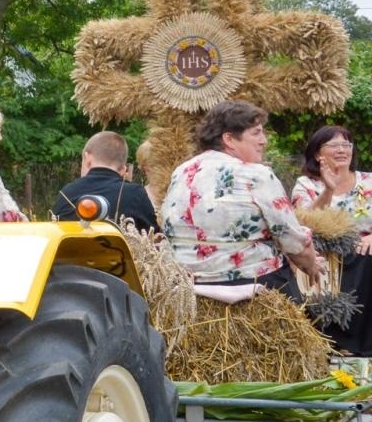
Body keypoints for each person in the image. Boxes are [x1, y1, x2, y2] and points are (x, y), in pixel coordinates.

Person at [159, 100, 326, 298]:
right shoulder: (256, 174)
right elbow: (290, 237)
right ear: (229, 139)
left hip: (188, 288)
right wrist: (310, 265)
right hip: (252, 285)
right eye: (256, 133)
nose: (264, 141)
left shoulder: (181, 171)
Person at [292, 125, 372, 353]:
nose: (342, 150)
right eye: (334, 145)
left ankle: (364, 347)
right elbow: (303, 222)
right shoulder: (306, 184)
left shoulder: (368, 181)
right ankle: (333, 345)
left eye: (346, 145)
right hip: (324, 254)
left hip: (365, 252)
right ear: (318, 153)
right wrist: (328, 190)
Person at [53, 130, 160, 232]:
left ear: (88, 158)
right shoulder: (135, 194)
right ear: (123, 170)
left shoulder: (66, 194)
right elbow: (155, 238)